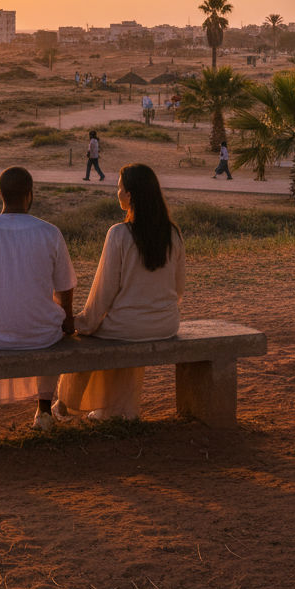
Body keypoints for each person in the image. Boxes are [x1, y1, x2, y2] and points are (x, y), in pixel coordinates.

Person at [55, 164, 186, 420]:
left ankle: (64, 404)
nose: (117, 193)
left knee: (88, 336)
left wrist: (83, 322)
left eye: (119, 188)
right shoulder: (173, 233)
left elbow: (104, 292)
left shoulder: (119, 234)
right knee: (118, 330)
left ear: (130, 195)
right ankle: (118, 409)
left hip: (128, 326)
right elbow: (178, 289)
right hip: (167, 324)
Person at [0, 166, 77, 431]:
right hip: (41, 335)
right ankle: (44, 411)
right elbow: (65, 286)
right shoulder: (50, 233)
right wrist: (67, 316)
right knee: (51, 331)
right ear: (30, 195)